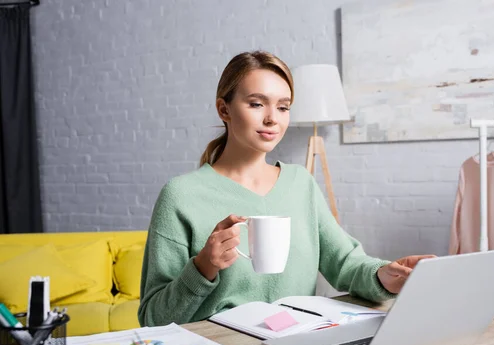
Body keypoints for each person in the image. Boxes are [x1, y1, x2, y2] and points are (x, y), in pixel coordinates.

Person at [138, 51, 435, 327]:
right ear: (223, 109)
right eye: (256, 103)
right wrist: (202, 268)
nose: (272, 118)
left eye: (283, 107)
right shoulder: (181, 195)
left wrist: (386, 275)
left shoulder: (300, 184)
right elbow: (153, 319)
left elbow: (344, 263)